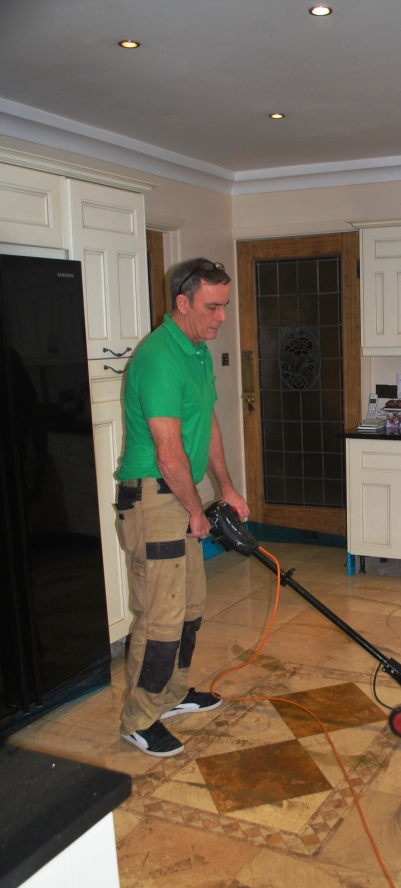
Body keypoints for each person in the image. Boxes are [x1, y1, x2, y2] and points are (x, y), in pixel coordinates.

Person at [115, 257, 249, 757]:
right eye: (212, 307)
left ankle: (172, 694)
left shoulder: (196, 353)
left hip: (180, 491)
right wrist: (195, 509)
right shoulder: (158, 358)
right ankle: (139, 717)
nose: (220, 318)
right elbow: (168, 452)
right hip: (154, 497)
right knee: (160, 617)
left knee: (190, 607)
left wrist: (226, 489)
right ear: (183, 302)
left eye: (224, 307)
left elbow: (206, 426)